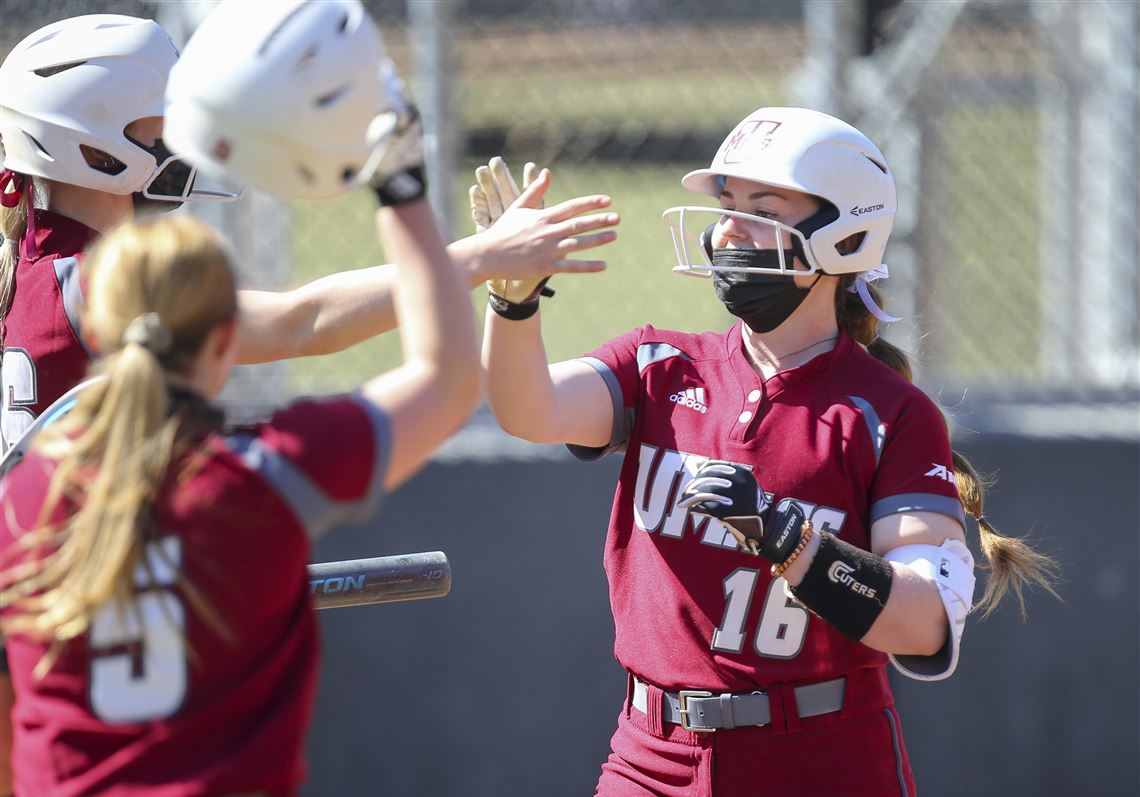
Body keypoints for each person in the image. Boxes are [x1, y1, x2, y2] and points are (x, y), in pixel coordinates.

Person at [0, 13, 617, 792]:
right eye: (163, 116)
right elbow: (310, 322)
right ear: (97, 139)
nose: (181, 134)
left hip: (55, 620)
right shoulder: (108, 293)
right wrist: (478, 253)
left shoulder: (26, 278)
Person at [477, 107, 1059, 796]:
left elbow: (925, 620)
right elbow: (527, 407)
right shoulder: (661, 363)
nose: (727, 227)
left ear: (840, 234)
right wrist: (512, 303)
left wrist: (791, 539)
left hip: (821, 756)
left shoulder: (889, 413)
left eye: (761, 207)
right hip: (652, 753)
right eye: (728, 204)